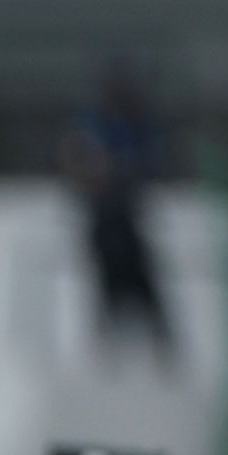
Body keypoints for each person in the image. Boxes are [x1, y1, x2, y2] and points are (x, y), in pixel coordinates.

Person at [61, 66, 174, 363]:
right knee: (109, 274)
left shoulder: (137, 125)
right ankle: (109, 333)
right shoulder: (92, 125)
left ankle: (156, 335)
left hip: (126, 217)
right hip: (104, 217)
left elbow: (150, 162)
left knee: (138, 274)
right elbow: (78, 163)